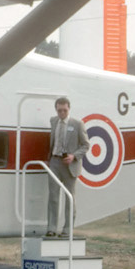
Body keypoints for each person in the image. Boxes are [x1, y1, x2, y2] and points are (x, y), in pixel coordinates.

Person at [46, 96, 86, 236]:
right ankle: (51, 228)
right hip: (55, 162)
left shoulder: (77, 124)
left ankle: (67, 229)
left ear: (69, 109)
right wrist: (49, 158)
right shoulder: (54, 121)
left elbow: (86, 145)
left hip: (70, 165)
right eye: (59, 110)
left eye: (64, 110)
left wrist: (74, 156)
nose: (62, 113)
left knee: (69, 197)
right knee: (53, 196)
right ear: (56, 110)